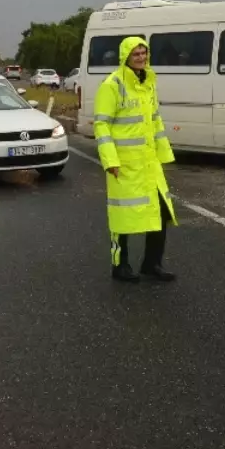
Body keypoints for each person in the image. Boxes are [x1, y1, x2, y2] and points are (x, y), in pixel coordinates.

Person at [93, 36, 177, 283]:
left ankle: (152, 264)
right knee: (122, 217)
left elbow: (154, 119)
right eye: (136, 54)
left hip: (149, 164)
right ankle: (120, 265)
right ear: (125, 56)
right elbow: (102, 125)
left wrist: (163, 154)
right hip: (124, 165)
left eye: (144, 53)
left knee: (160, 212)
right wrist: (111, 161)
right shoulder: (113, 84)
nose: (141, 57)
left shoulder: (148, 82)